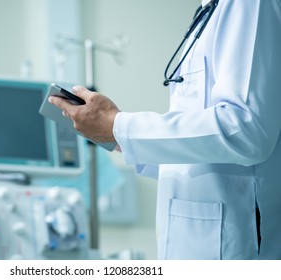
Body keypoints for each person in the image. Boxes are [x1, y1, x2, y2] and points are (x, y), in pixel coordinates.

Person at [49, 0, 281, 260]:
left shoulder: (249, 4)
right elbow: (199, 150)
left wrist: (119, 126)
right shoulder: (211, 9)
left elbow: (245, 129)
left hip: (236, 246)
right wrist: (113, 135)